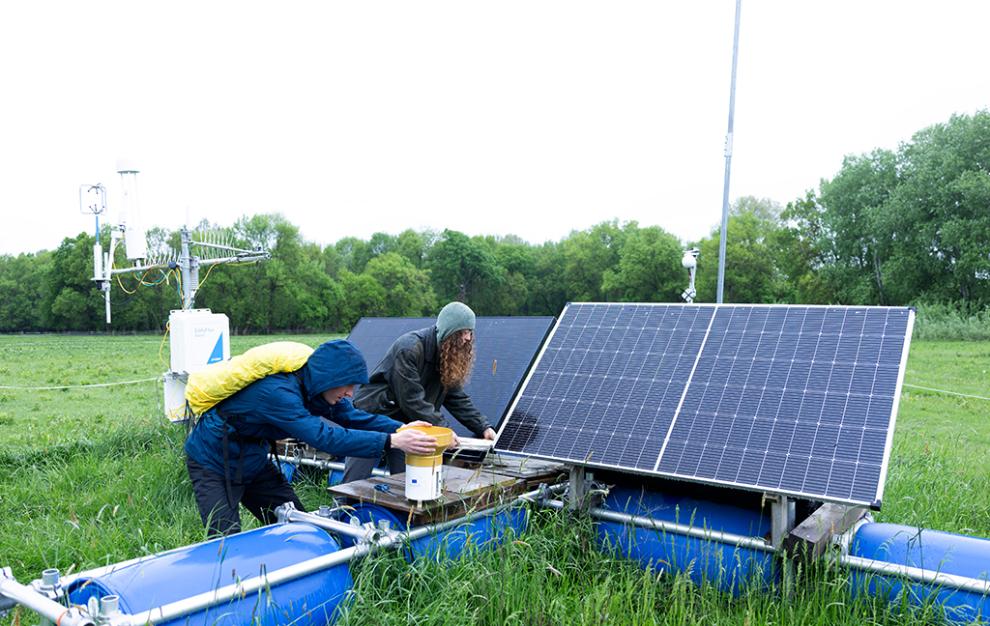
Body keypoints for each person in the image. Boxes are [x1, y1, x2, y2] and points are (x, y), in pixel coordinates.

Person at [184, 339, 441, 536]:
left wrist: (401, 428)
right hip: (213, 461)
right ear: (332, 377)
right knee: (225, 540)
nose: (351, 393)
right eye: (349, 385)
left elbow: (355, 418)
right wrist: (390, 442)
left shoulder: (320, 389)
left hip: (253, 459)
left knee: (298, 526)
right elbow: (323, 437)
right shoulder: (278, 393)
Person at [343, 301, 496, 483]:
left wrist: (483, 426)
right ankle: (341, 510)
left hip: (407, 424)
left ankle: (397, 512)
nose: (468, 338)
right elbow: (412, 400)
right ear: (448, 331)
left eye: (470, 332)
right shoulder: (409, 348)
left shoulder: (448, 356)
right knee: (354, 481)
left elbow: (456, 397)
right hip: (372, 417)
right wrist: (445, 430)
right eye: (463, 332)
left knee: (407, 481)